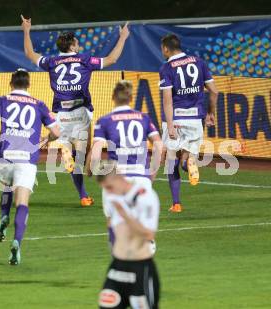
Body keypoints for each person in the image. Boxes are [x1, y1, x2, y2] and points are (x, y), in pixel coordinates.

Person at [21, 14, 130, 207]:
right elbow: (112, 59)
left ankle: (82, 192)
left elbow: (30, 54)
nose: (78, 45)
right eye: (77, 43)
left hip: (61, 114)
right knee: (82, 156)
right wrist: (122, 37)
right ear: (71, 46)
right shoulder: (85, 60)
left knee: (71, 155)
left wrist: (26, 30)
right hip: (80, 112)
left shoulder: (51, 62)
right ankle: (83, 193)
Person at [0, 69, 60, 265]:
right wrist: (45, 139)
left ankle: (4, 216)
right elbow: (57, 131)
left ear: (11, 83)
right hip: (27, 158)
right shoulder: (39, 105)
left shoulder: (1, 100)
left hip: (6, 155)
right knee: (22, 202)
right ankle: (17, 242)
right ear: (28, 84)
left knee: (7, 185)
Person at [88, 80, 162, 247]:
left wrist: (94, 170)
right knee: (143, 223)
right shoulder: (143, 118)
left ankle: (120, 259)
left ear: (113, 96)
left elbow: (96, 149)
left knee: (113, 222)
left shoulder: (105, 121)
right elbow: (158, 145)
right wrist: (152, 173)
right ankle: (146, 255)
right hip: (141, 176)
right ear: (131, 98)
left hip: (116, 178)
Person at [159, 33, 218, 213]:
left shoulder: (167, 68)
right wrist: (210, 113)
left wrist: (169, 125)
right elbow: (214, 92)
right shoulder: (199, 62)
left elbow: (167, 100)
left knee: (170, 160)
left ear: (166, 49)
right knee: (186, 157)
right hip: (195, 119)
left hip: (176, 118)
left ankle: (176, 203)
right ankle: (189, 162)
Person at [96, 161, 160, 309]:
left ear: (119, 178)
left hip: (140, 269)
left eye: (109, 187)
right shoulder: (112, 197)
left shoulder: (145, 196)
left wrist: (125, 215)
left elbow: (149, 234)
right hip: (117, 268)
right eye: (105, 189)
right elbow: (112, 228)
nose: (108, 192)